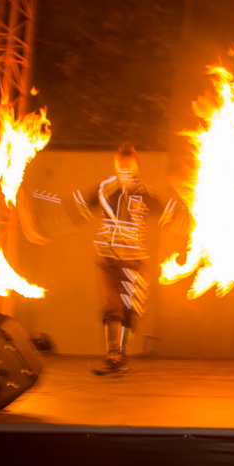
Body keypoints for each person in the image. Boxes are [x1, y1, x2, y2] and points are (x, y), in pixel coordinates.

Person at [74, 143, 181, 375]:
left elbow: (168, 217)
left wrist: (187, 217)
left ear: (136, 168)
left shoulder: (145, 193)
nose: (124, 170)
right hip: (108, 260)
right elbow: (81, 207)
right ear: (115, 166)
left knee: (129, 311)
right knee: (112, 307)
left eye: (128, 167)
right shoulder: (104, 190)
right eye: (120, 166)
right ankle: (113, 355)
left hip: (134, 262)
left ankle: (121, 356)